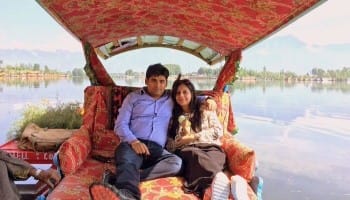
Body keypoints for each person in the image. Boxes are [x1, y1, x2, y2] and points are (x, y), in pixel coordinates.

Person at [89, 63, 216, 200]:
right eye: (154, 80)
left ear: (166, 82)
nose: (158, 85)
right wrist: (134, 141)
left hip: (157, 150)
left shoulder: (171, 98)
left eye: (162, 81)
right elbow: (120, 124)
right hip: (132, 145)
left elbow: (189, 98)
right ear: (146, 81)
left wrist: (208, 99)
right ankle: (128, 194)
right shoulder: (133, 98)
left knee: (177, 164)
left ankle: (116, 179)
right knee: (127, 161)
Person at [167, 76, 250, 200]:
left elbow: (218, 131)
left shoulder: (205, 109)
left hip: (212, 148)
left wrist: (194, 136)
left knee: (210, 159)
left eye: (185, 92)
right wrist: (181, 139)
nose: (181, 95)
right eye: (178, 93)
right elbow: (170, 145)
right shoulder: (174, 118)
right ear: (174, 96)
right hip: (189, 151)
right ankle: (228, 183)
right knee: (195, 156)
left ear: (192, 93)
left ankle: (218, 188)